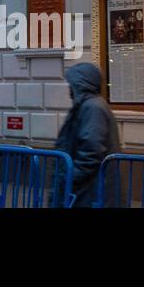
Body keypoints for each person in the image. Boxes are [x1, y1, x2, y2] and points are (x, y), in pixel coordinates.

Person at [55, 63, 122, 207]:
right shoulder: (88, 105)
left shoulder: (92, 107)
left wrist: (71, 177)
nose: (69, 89)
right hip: (90, 188)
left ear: (80, 84)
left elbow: (92, 148)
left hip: (91, 190)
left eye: (71, 84)